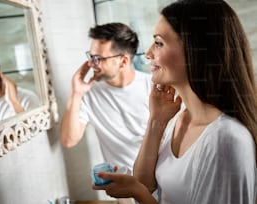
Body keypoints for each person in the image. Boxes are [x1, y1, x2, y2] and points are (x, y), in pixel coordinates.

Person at [92, 0, 257, 203]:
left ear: (196, 50)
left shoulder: (226, 140)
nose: (149, 53)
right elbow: (145, 183)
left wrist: (137, 192)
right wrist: (156, 121)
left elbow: (141, 190)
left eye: (159, 43)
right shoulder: (178, 119)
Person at [60, 23, 151, 176]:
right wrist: (76, 93)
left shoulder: (152, 87)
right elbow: (69, 140)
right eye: (91, 56)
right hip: (123, 186)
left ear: (123, 61)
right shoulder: (88, 93)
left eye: (98, 58)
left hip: (160, 179)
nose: (91, 64)